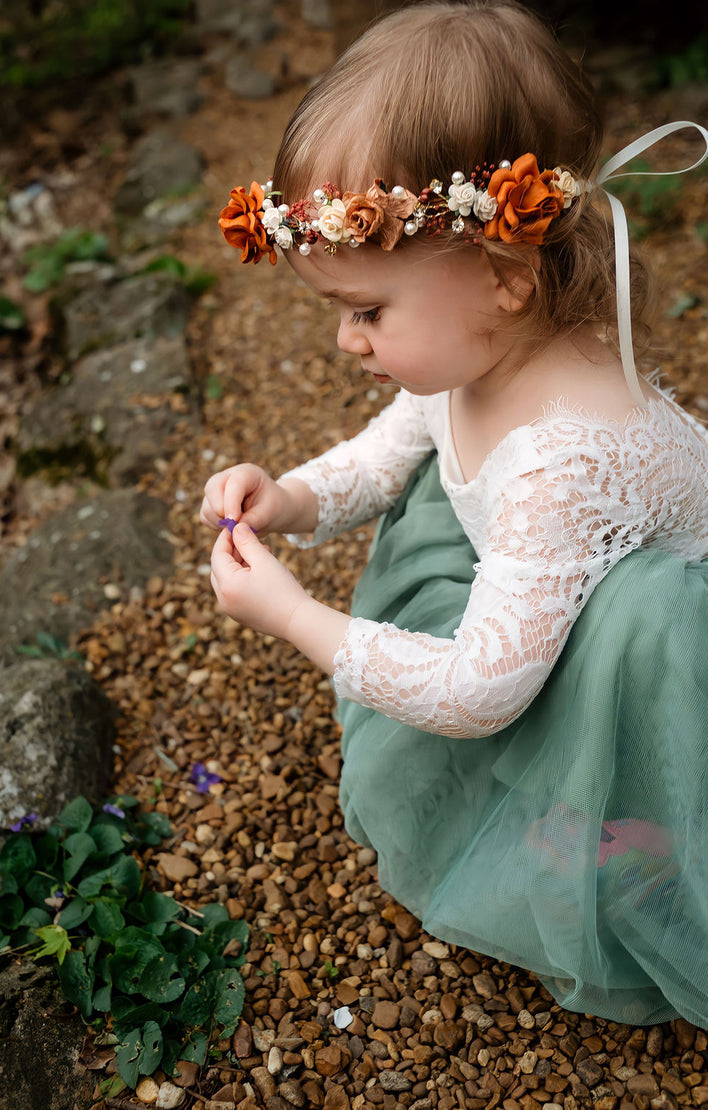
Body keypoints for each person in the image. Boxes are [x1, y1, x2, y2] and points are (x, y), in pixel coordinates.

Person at [202, 0, 708, 1026]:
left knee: (620, 705)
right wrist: (288, 496)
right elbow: (387, 453)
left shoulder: (559, 459)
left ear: (505, 275)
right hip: (545, 605)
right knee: (446, 514)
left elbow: (482, 692)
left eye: (366, 312)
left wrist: (299, 620)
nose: (347, 342)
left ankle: (642, 842)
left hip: (661, 668)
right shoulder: (475, 351)